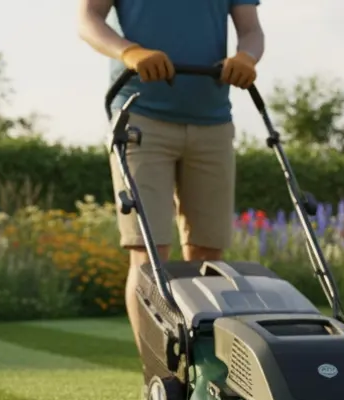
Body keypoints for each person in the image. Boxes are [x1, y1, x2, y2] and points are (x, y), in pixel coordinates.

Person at [77, 0, 264, 351]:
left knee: (209, 257)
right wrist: (129, 52)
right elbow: (88, 19)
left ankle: (205, 365)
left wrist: (246, 57)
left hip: (213, 119)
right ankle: (157, 370)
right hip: (140, 115)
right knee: (149, 254)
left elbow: (251, 30)